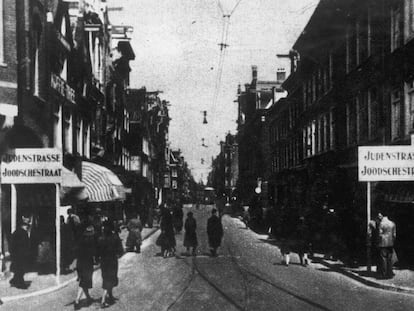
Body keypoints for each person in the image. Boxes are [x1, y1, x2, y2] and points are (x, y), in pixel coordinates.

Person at [98, 221, 124, 308]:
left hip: (103, 261)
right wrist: (118, 254)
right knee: (111, 278)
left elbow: (97, 251)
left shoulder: (101, 238)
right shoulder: (115, 237)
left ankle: (110, 295)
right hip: (112, 260)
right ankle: (103, 300)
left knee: (106, 277)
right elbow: (121, 250)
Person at [74, 225, 97, 310]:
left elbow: (76, 251)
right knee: (84, 282)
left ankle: (88, 297)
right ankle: (77, 300)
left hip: (79, 263)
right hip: (87, 264)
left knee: (83, 280)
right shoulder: (91, 242)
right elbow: (93, 253)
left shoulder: (80, 241)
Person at [9, 216, 31, 289]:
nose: (27, 227)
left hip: (16, 255)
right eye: (26, 226)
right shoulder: (23, 233)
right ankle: (20, 284)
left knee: (18, 269)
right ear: (23, 226)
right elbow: (25, 245)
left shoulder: (16, 232)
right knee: (20, 270)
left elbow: (11, 244)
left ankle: (15, 281)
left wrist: (12, 253)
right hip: (21, 255)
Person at [376, 212, 397, 279]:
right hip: (390, 243)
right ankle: (390, 274)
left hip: (383, 243)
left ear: (382, 216)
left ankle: (384, 274)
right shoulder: (392, 223)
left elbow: (379, 234)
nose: (379, 217)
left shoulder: (381, 224)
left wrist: (378, 242)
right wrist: (392, 241)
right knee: (389, 259)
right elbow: (394, 235)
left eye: (379, 216)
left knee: (383, 259)